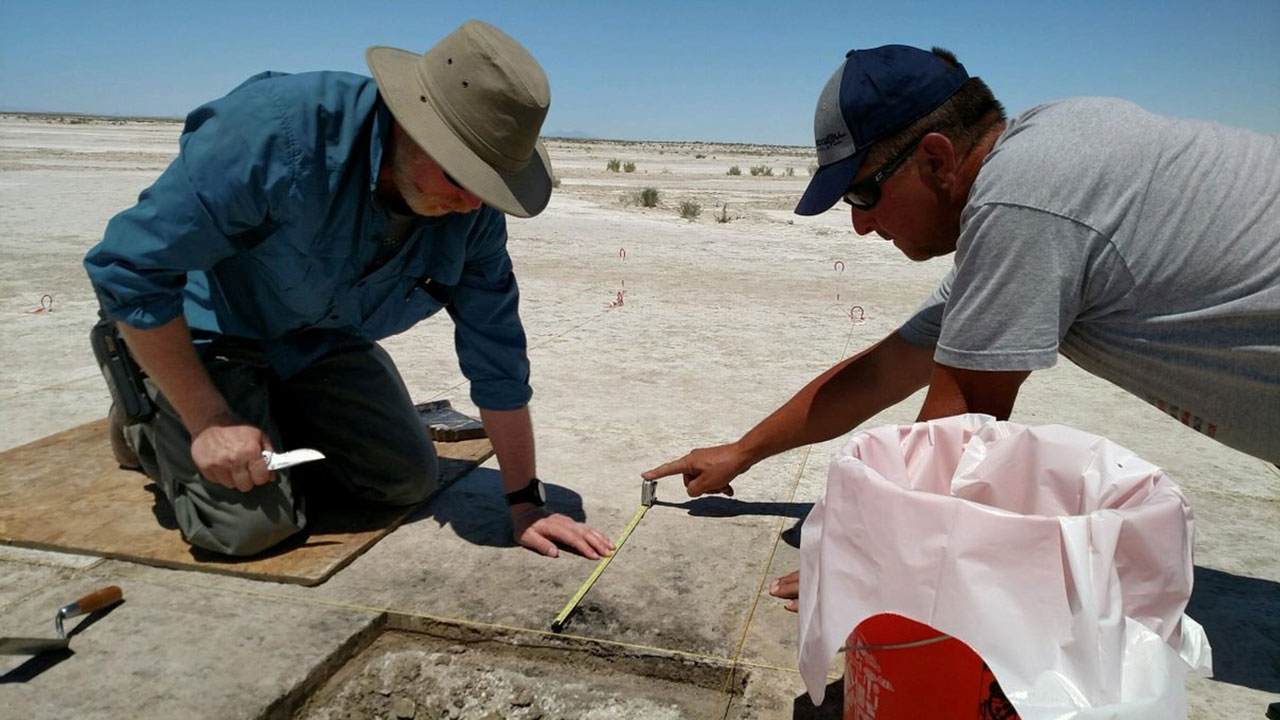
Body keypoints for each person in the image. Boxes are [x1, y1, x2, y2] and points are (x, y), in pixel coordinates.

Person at [643, 44, 1280, 608]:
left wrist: (872, 563)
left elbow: (959, 430)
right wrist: (743, 452)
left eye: (861, 195)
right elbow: (886, 370)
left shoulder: (1024, 200)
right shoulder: (1038, 170)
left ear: (937, 158)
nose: (860, 225)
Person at [84, 20, 615, 560]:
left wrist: (524, 503)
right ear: (412, 125)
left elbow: (497, 355)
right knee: (248, 532)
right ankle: (147, 418)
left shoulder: (471, 215)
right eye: (463, 176)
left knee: (403, 482)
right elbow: (128, 267)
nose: (473, 204)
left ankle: (263, 413)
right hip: (209, 334)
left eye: (491, 185)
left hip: (315, 341)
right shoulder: (272, 133)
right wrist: (210, 421)